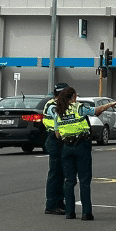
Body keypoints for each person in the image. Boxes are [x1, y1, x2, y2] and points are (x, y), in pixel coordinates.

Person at [52, 87, 116, 220]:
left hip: (66, 146)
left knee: (69, 181)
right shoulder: (79, 108)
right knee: (84, 180)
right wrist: (111, 104)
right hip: (81, 145)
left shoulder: (58, 111)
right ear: (73, 97)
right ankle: (86, 213)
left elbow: (57, 133)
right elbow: (96, 111)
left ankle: (69, 212)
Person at [43, 82, 69, 215]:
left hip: (61, 140)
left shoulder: (61, 105)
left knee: (61, 173)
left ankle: (60, 202)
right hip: (54, 139)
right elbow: (59, 121)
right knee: (55, 173)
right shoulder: (52, 105)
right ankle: (51, 204)